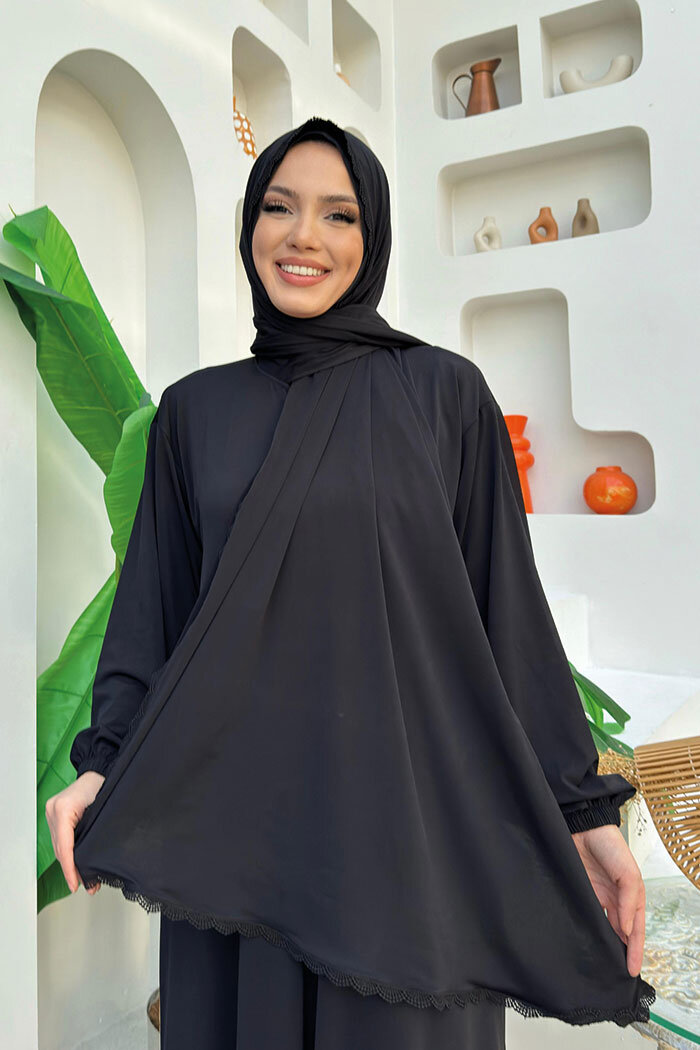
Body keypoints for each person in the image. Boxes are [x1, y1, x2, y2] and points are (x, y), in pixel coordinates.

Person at [46, 117, 654, 1049]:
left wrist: (584, 814)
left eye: (339, 214)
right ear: (250, 227)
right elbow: (153, 617)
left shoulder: (445, 396)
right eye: (279, 208)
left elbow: (509, 619)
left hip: (409, 841)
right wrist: (101, 762)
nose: (304, 237)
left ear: (373, 238)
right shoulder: (192, 413)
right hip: (236, 840)